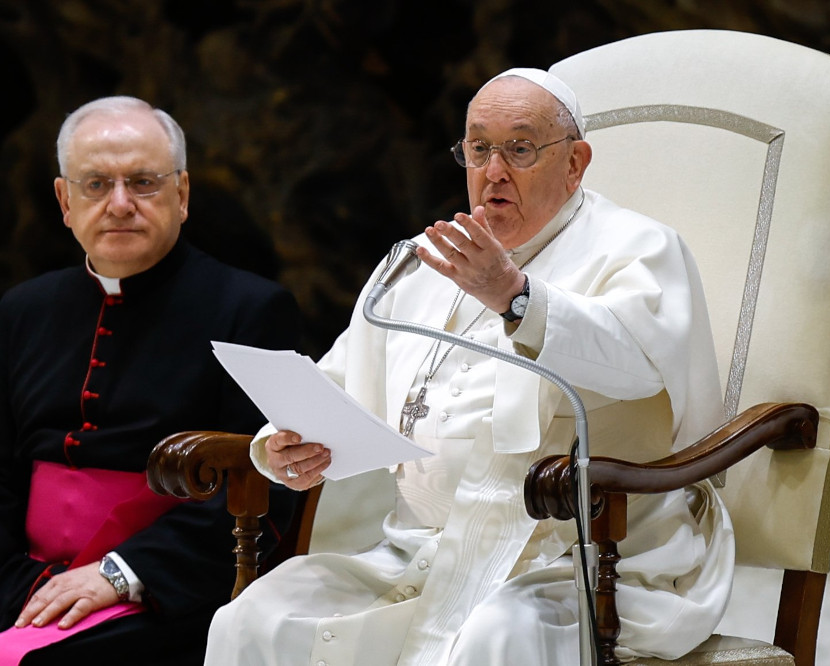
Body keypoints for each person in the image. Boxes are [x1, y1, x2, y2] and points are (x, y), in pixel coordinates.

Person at [205, 68, 734, 665]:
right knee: (255, 617)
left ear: (575, 162)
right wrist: (286, 444)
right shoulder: (420, 261)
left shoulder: (639, 248)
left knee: (495, 639)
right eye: (479, 148)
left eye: (521, 147)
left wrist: (516, 297)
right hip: (420, 551)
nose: (494, 170)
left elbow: (638, 367)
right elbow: (337, 386)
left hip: (581, 557)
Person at [0, 96, 302, 665]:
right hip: (24, 579)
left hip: (165, 587)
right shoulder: (22, 310)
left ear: (182, 195)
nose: (119, 204)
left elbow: (268, 481)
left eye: (143, 182)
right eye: (95, 185)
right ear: (65, 201)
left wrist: (122, 573)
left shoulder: (251, 309)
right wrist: (16, 578)